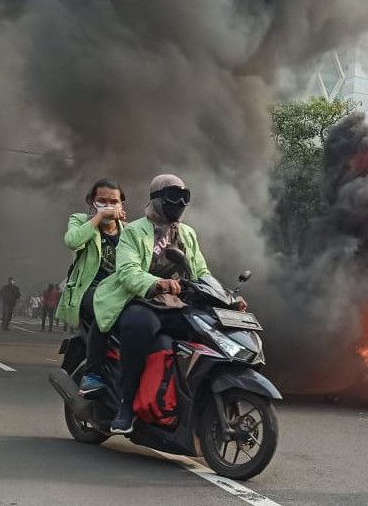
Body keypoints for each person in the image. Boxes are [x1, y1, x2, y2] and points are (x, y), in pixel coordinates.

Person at [102, 174, 246, 434]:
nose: (179, 202)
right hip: (142, 302)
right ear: (157, 199)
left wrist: (229, 299)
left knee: (207, 327)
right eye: (173, 196)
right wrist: (158, 283)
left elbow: (201, 271)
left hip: (177, 304)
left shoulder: (187, 233)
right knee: (139, 326)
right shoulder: (134, 231)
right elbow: (127, 271)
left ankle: (186, 399)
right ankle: (126, 405)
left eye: (184, 196)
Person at [55, 179, 127, 397]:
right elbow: (72, 241)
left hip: (120, 292)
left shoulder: (130, 231)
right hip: (88, 290)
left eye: (113, 202)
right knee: (106, 307)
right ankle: (91, 375)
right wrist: (98, 219)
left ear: (122, 205)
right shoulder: (81, 221)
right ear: (91, 202)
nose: (108, 206)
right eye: (102, 201)